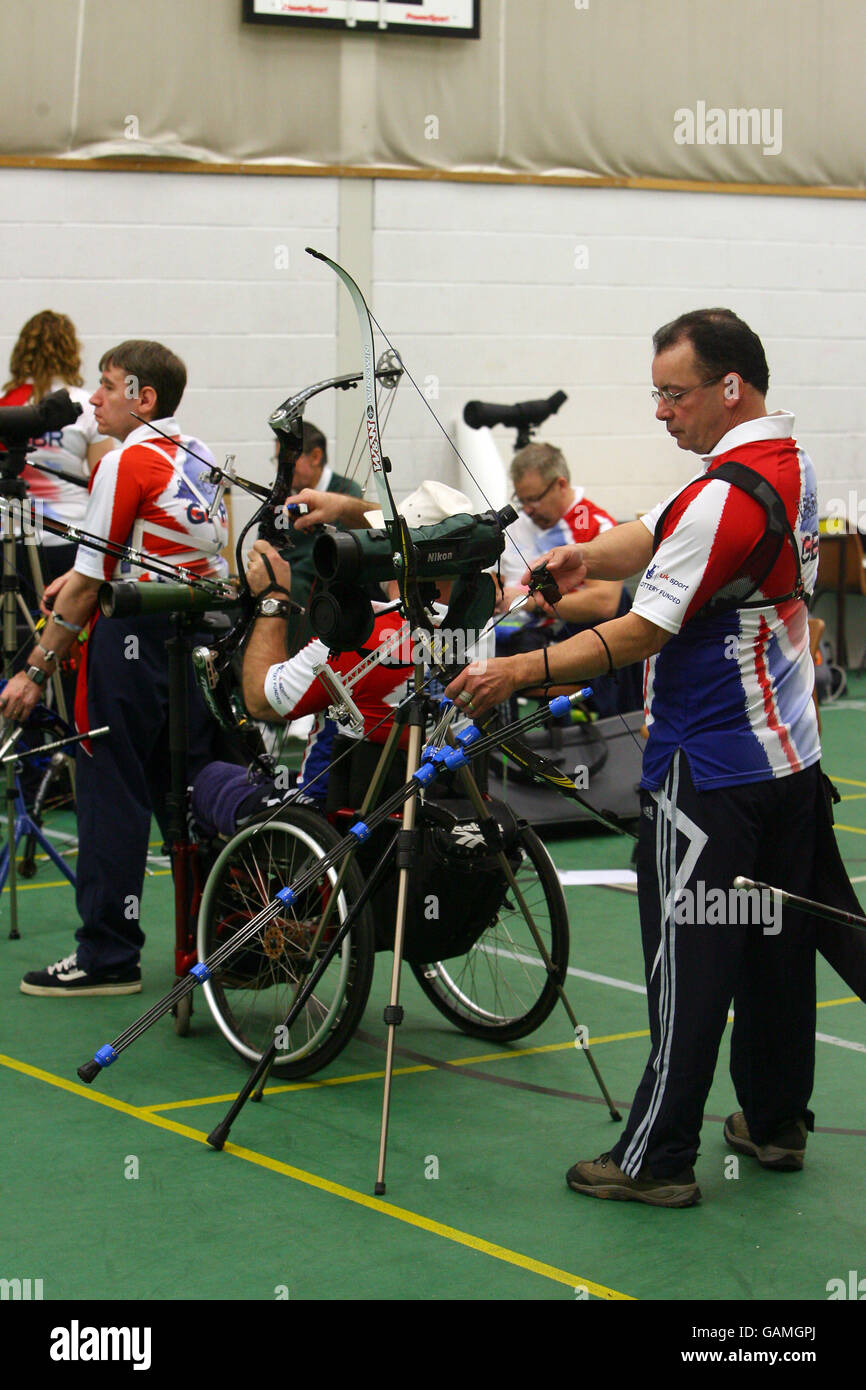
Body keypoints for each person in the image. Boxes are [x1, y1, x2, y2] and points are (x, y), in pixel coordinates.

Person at [447, 307, 828, 1207]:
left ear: (729, 387)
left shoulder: (722, 497)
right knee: (778, 948)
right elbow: (653, 532)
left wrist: (517, 672)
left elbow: (641, 631)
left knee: (686, 965)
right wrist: (577, 556)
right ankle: (775, 1122)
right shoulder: (786, 466)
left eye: (674, 393)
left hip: (708, 774)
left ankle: (656, 1158)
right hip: (789, 764)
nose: (661, 411)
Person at [8, 339, 228, 997]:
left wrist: (35, 672)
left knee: (110, 790)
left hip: (131, 637)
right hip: (192, 638)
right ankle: (216, 940)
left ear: (144, 398)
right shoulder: (203, 455)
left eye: (107, 385)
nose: (94, 399)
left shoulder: (126, 461)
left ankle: (107, 955)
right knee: (188, 793)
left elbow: (86, 583)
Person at [192, 480, 490, 834]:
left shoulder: (360, 636)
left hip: (334, 817)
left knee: (210, 779)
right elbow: (421, 548)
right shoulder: (485, 628)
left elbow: (259, 700)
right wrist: (340, 506)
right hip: (439, 812)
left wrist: (273, 597)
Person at [497, 442, 640, 715]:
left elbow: (605, 604)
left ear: (561, 485)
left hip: (562, 638)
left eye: (533, 499)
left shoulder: (597, 526)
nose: (526, 509)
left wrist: (529, 603)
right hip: (515, 635)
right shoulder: (520, 524)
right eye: (521, 500)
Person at [271, 420, 363, 655]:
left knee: (293, 588)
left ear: (315, 456)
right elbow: (274, 545)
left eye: (288, 462)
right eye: (279, 462)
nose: (282, 471)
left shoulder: (346, 493)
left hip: (324, 581)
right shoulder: (284, 497)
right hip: (292, 578)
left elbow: (340, 551)